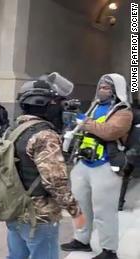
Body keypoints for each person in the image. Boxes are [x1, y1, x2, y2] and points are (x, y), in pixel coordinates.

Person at [5, 78, 85, 259]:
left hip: (14, 208)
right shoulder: (44, 136)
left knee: (16, 256)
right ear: (44, 104)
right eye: (54, 102)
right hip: (39, 215)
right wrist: (75, 211)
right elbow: (55, 181)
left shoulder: (13, 129)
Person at [61, 74, 133, 259]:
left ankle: (109, 251)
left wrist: (84, 122)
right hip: (84, 162)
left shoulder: (124, 111)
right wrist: (73, 118)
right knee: (80, 206)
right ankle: (82, 239)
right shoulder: (95, 107)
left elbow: (110, 131)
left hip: (106, 165)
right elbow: (81, 126)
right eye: (101, 86)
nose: (102, 89)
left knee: (104, 211)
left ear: (116, 90)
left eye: (107, 87)